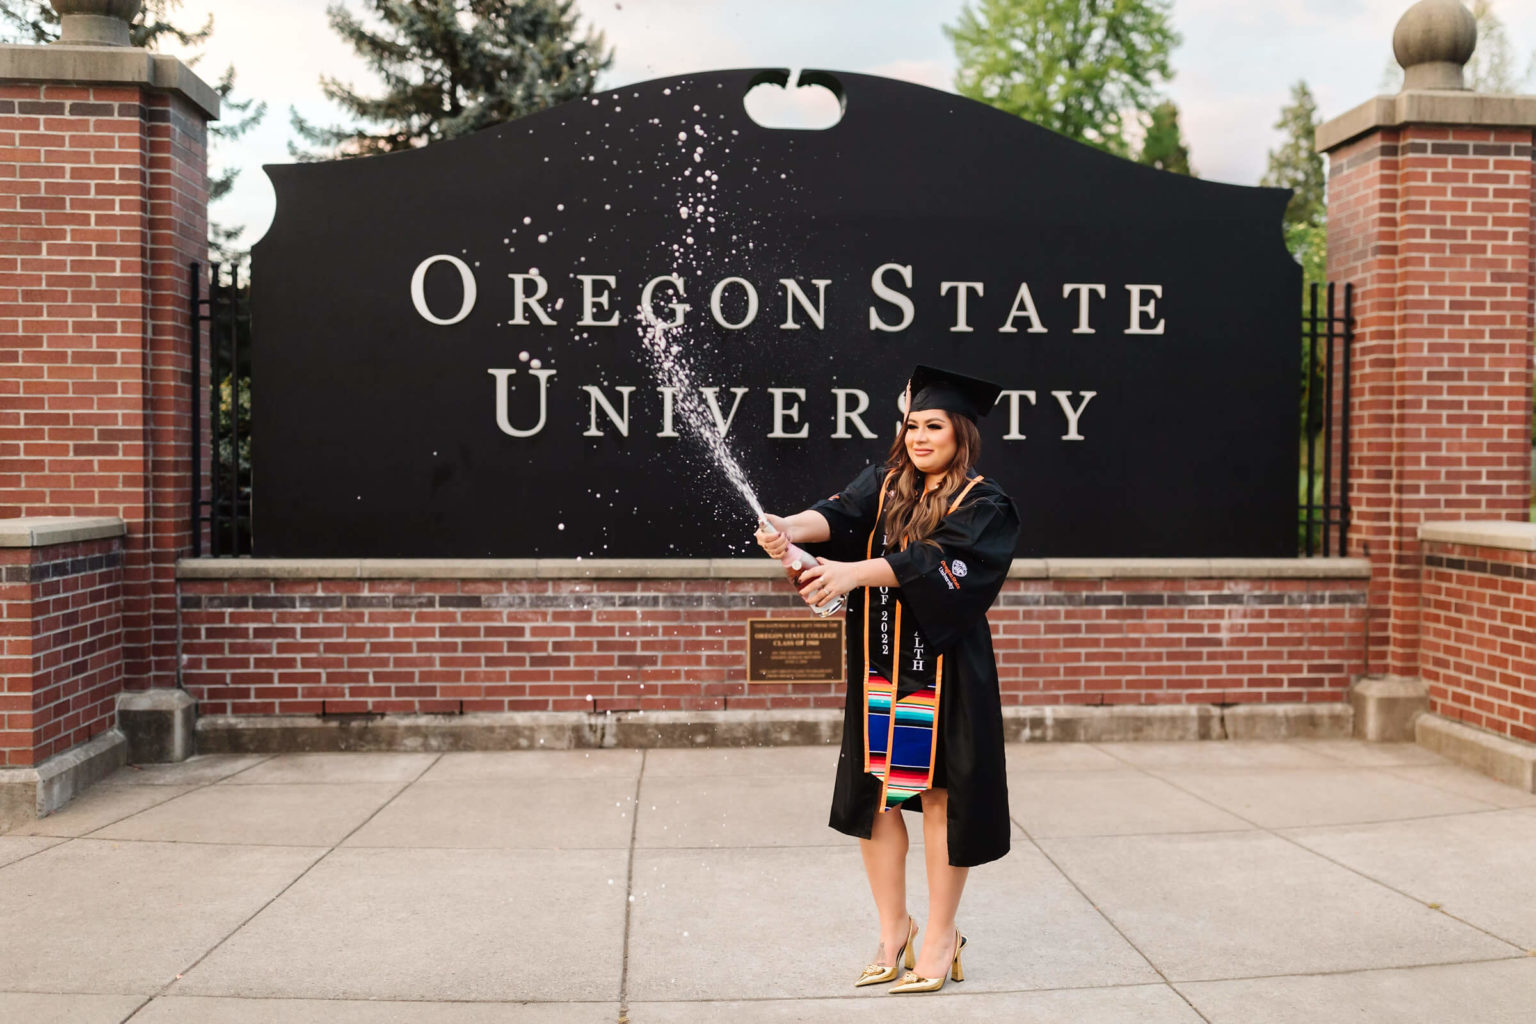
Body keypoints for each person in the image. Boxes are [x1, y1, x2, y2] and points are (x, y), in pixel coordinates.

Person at [754, 364, 1020, 995]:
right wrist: (787, 529)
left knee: (936, 800)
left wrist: (851, 574)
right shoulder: (889, 484)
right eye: (911, 425)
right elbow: (837, 514)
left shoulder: (985, 503)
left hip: (945, 671)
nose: (920, 437)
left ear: (960, 433)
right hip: (881, 665)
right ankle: (892, 930)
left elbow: (936, 563)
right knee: (877, 797)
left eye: (934, 426)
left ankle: (941, 936)